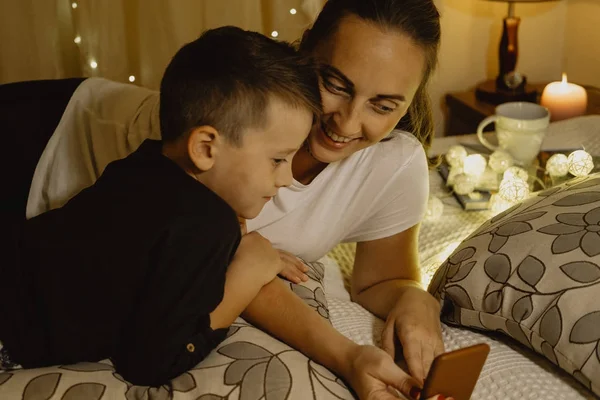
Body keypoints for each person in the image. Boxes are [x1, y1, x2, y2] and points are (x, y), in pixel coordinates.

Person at [21, 0, 447, 398]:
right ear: (304, 49)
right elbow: (235, 272)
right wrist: (348, 355)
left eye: (384, 105)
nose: (348, 121)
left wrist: (413, 296)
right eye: (334, 83)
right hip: (35, 146)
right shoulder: (223, 139)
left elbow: (381, 280)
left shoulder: (395, 161)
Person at [0, 26, 318, 387]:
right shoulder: (207, 223)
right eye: (278, 159)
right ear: (205, 148)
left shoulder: (142, 163)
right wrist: (249, 271)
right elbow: (153, 361)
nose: (286, 177)